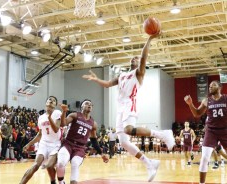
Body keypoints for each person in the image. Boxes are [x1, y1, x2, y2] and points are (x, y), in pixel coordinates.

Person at [82, 33, 175, 182]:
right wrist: (96, 79)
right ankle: (149, 163)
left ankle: (163, 134)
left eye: (137, 58)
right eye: (133, 58)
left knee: (128, 129)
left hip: (130, 104)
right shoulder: (122, 75)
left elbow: (144, 57)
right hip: (120, 107)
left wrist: (149, 39)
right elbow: (107, 84)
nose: (134, 58)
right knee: (124, 142)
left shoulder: (139, 73)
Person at [56, 99, 109, 184]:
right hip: (68, 144)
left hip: (80, 148)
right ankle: (61, 182)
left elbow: (94, 140)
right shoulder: (74, 115)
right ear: (81, 107)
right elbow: (63, 124)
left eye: (91, 105)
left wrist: (101, 153)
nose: (89, 105)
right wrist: (64, 112)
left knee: (75, 164)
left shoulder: (93, 123)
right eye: (87, 104)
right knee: (61, 163)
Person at [184, 80, 227, 184]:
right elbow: (197, 113)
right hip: (211, 131)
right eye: (209, 86)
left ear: (219, 87)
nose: (210, 87)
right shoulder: (206, 100)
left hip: (225, 130)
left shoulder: (225, 98)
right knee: (204, 158)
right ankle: (201, 183)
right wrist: (190, 104)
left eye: (213, 85)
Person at [19, 96, 62, 184]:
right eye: (49, 100)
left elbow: (56, 129)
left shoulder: (57, 113)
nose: (51, 101)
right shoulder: (41, 117)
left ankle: (53, 182)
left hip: (55, 144)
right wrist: (29, 144)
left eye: (53, 101)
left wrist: (50, 117)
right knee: (35, 165)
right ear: (46, 103)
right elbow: (40, 134)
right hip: (44, 143)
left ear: (55, 105)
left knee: (49, 166)